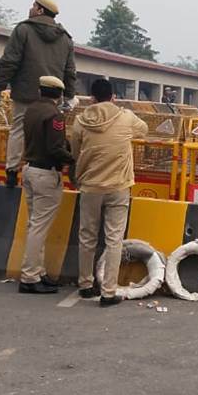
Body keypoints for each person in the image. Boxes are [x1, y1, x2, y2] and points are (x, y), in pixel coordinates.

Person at [71, 78, 148, 307]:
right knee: (114, 239)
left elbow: (75, 152)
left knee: (87, 236)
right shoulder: (125, 117)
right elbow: (144, 130)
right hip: (118, 185)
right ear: (113, 97)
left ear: (91, 98)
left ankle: (85, 285)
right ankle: (108, 291)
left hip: (90, 185)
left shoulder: (80, 121)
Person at [0, 0, 78, 188]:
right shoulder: (65, 38)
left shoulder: (23, 30)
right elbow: (70, 71)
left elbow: (10, 61)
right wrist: (70, 96)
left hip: (25, 92)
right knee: (48, 132)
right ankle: (44, 169)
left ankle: (12, 171)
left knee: (19, 129)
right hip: (52, 97)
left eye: (34, 6)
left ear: (40, 10)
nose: (31, 8)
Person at [15, 76, 74, 295]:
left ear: (40, 91)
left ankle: (38, 272)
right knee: (38, 228)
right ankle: (30, 277)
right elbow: (55, 148)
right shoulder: (54, 115)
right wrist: (74, 159)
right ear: (60, 94)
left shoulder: (31, 110)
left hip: (30, 170)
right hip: (46, 174)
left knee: (34, 225)